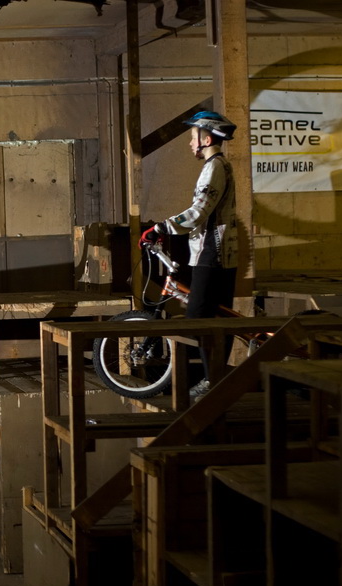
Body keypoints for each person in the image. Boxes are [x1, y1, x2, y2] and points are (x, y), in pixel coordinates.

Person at [139, 110, 239, 399]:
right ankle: (215, 381)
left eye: (193, 137)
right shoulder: (220, 166)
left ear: (206, 139)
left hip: (211, 255)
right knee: (217, 320)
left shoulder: (214, 167)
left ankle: (210, 382)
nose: (190, 143)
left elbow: (198, 212)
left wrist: (161, 227)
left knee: (196, 320)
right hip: (219, 255)